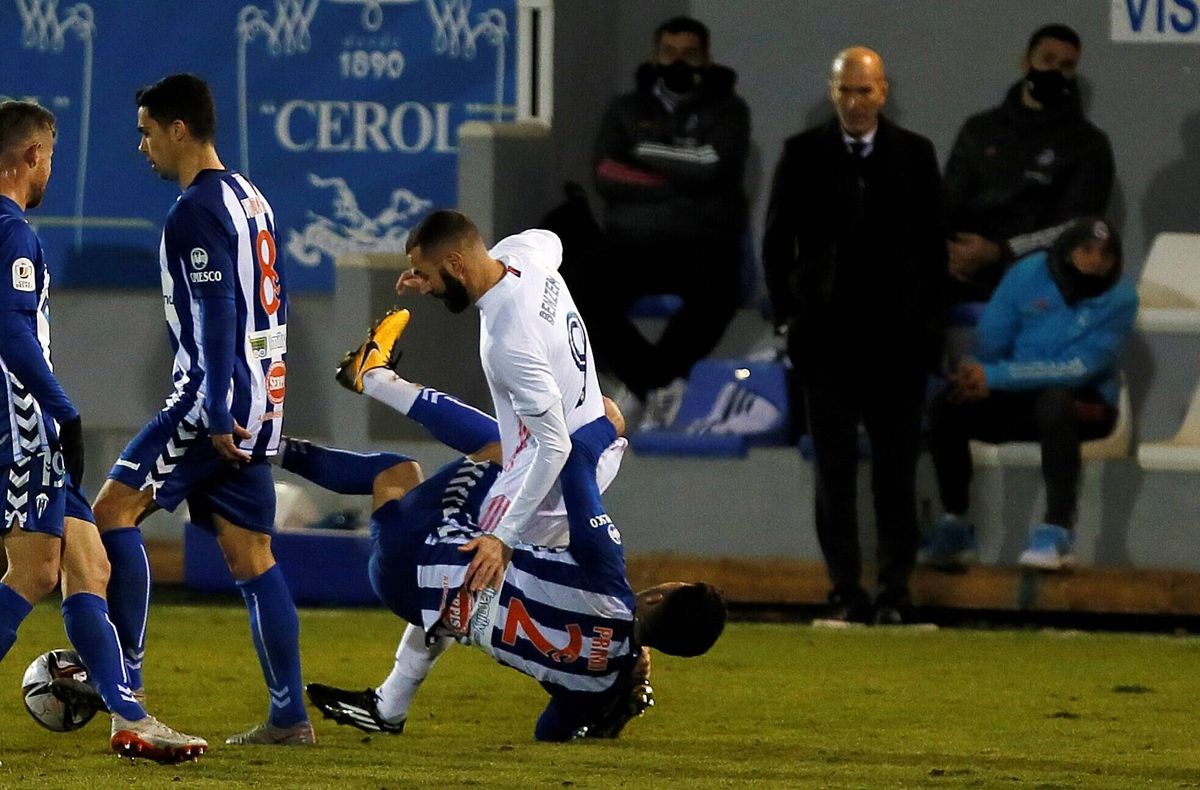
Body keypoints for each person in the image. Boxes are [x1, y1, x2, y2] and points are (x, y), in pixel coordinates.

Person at [296, 314, 724, 740]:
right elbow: (549, 732)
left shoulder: (605, 574)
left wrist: (609, 423)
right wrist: (608, 716)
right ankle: (389, 705)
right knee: (469, 532)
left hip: (417, 550)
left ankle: (344, 397)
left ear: (658, 597)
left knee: (451, 459)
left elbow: (574, 458)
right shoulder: (598, 685)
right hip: (418, 599)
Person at [87, 74, 311, 746]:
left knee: (109, 515)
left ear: (178, 130)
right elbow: (268, 303)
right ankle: (288, 717)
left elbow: (217, 309)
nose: (143, 147)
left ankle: (128, 689)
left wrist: (215, 406)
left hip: (207, 403)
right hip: (258, 398)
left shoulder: (193, 211)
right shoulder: (251, 197)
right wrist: (256, 395)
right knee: (251, 557)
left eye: (147, 132)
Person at [0, 100, 206, 762]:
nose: (51, 167)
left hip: (21, 426)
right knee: (35, 572)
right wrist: (63, 410)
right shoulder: (12, 233)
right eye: (51, 155)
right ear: (32, 156)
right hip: (23, 423)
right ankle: (129, 714)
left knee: (89, 563)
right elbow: (11, 332)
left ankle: (129, 718)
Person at [762, 48, 946, 624]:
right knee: (834, 474)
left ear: (883, 92)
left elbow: (932, 253)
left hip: (898, 345)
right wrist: (791, 316)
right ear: (833, 91)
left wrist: (928, 335)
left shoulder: (916, 156)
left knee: (896, 473)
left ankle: (895, 590)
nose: (854, 102)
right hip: (826, 341)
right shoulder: (801, 154)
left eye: (864, 91)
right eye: (845, 91)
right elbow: (776, 243)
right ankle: (845, 589)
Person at [394, 210, 611, 596]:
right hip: (593, 444)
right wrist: (430, 271)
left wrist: (503, 538)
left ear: (456, 264)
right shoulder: (522, 254)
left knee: (460, 580)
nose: (423, 287)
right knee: (562, 595)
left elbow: (554, 446)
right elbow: (553, 241)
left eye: (425, 276)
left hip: (548, 481)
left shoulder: (509, 342)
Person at [922, 217, 1137, 572]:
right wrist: (973, 375)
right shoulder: (1027, 274)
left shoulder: (1120, 297)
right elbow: (992, 342)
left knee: (1056, 401)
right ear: (1067, 251)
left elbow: (1077, 369)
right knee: (949, 404)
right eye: (1087, 250)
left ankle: (1056, 531)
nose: (1096, 261)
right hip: (1020, 394)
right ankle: (954, 523)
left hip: (1089, 403)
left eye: (1106, 254)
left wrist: (994, 375)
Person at [577, 15, 751, 429]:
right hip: (632, 241)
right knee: (579, 287)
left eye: (689, 55)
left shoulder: (729, 110)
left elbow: (715, 165)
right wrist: (684, 181)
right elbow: (607, 173)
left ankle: (647, 385)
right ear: (655, 56)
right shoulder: (625, 109)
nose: (678, 62)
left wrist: (641, 154)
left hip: (702, 241)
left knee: (722, 290)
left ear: (706, 59)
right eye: (669, 53)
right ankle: (651, 384)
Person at [943, 24, 1114, 302]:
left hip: (1041, 279)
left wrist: (1000, 251)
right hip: (964, 271)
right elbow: (948, 202)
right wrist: (952, 254)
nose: (1055, 71)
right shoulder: (979, 129)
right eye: (1047, 60)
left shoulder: (1089, 145)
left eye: (1067, 65)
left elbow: (1075, 227)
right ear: (1026, 63)